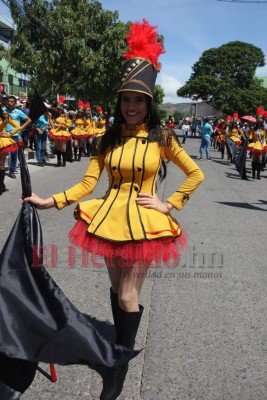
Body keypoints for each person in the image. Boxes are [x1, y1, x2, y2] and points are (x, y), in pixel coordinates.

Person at [23, 19, 204, 400]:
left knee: (126, 297)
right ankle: (118, 346)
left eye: (139, 100)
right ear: (119, 102)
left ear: (149, 103)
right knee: (117, 289)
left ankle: (117, 365)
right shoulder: (107, 140)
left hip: (147, 223)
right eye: (126, 99)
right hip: (108, 219)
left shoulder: (163, 137)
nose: (132, 106)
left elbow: (195, 173)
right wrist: (49, 201)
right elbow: (88, 184)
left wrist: (169, 204)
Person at [4, 95, 31, 178]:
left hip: (15, 135)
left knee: (13, 154)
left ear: (15, 103)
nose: (10, 103)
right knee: (3, 154)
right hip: (4, 135)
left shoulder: (18, 112)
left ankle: (12, 171)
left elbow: (29, 120)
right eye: (9, 101)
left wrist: (20, 128)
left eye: (12, 102)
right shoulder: (3, 110)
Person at [0, 105, 21, 194]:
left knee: (1, 164)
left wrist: (9, 134)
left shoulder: (5, 115)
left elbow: (17, 127)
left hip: (2, 141)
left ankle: (1, 185)